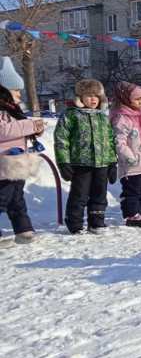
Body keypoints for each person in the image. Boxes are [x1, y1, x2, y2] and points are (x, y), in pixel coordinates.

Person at [54, 79, 117, 234]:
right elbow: (61, 139)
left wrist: (112, 163)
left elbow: (110, 140)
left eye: (96, 96)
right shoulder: (71, 115)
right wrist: (64, 162)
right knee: (80, 194)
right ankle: (74, 222)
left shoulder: (103, 117)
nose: (93, 99)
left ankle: (96, 222)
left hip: (102, 163)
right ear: (80, 98)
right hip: (81, 163)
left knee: (99, 194)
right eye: (89, 96)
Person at [0, 57, 45, 244]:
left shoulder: (13, 111)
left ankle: (23, 229)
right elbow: (3, 131)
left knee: (17, 199)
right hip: (3, 165)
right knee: (3, 199)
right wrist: (29, 125)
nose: (19, 94)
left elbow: (18, 131)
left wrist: (34, 131)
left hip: (16, 163)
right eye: (16, 90)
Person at [110, 82, 141, 227]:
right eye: (137, 99)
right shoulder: (122, 118)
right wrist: (130, 157)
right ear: (126, 99)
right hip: (131, 164)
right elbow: (119, 141)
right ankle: (131, 215)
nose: (140, 102)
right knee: (132, 191)